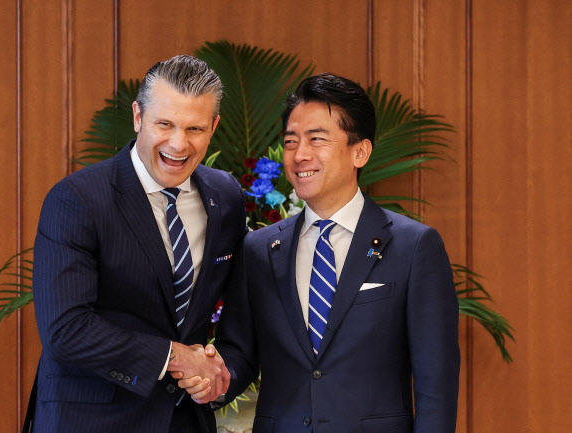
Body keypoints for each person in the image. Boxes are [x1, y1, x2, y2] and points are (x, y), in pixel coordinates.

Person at [179, 73, 460, 433]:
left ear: (360, 151)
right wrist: (213, 379)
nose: (300, 155)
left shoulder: (413, 246)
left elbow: (436, 385)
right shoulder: (258, 249)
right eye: (291, 141)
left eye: (317, 139)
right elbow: (240, 354)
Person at [27, 55, 245, 433]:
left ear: (213, 127)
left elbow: (243, 314)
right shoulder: (77, 200)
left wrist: (221, 375)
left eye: (194, 128)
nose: (178, 143)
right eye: (164, 124)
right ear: (138, 117)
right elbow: (66, 330)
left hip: (186, 421)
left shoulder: (225, 196)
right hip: (90, 421)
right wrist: (175, 357)